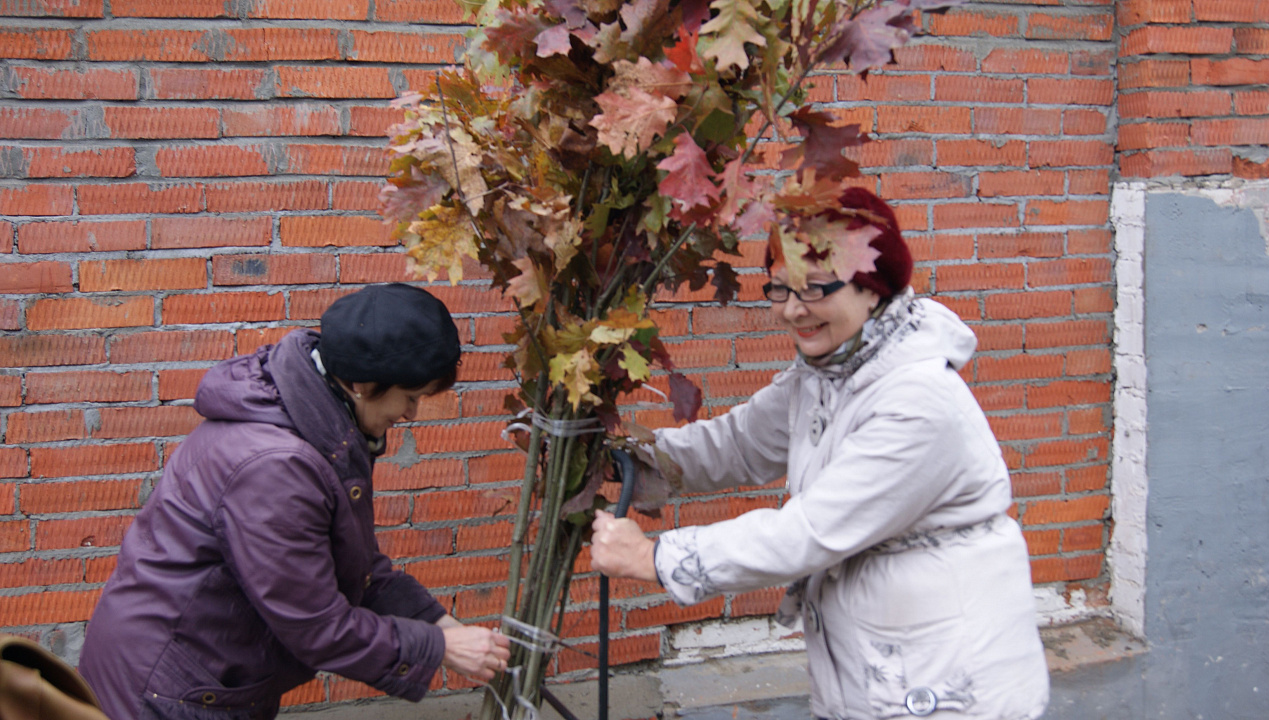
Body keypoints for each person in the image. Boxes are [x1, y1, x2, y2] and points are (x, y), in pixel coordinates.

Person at [591, 188, 1049, 720]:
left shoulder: (918, 402)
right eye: (780, 289)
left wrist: (657, 558)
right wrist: (621, 458)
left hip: (948, 683)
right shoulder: (828, 374)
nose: (792, 310)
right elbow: (737, 444)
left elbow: (809, 531)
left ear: (873, 288)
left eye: (814, 289)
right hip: (876, 671)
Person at [79, 283, 510, 720]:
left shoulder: (318, 420)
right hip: (168, 690)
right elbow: (317, 626)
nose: (412, 414)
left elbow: (351, 567)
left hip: (205, 674)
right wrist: (438, 647)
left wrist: (439, 623)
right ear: (362, 383)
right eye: (412, 396)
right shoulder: (276, 466)